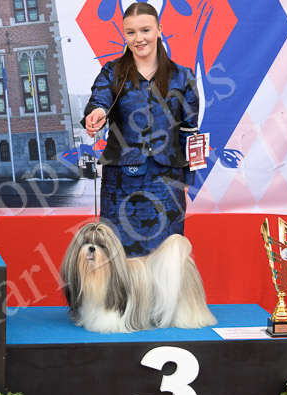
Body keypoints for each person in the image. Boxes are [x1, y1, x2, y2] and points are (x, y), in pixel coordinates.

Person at [82, 2, 200, 257]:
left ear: (159, 29)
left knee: (167, 257)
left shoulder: (183, 76)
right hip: (120, 185)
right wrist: (97, 113)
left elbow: (190, 132)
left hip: (167, 184)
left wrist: (188, 181)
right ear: (124, 34)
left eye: (145, 30)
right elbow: (99, 99)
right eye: (131, 32)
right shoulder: (111, 72)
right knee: (117, 256)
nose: (139, 38)